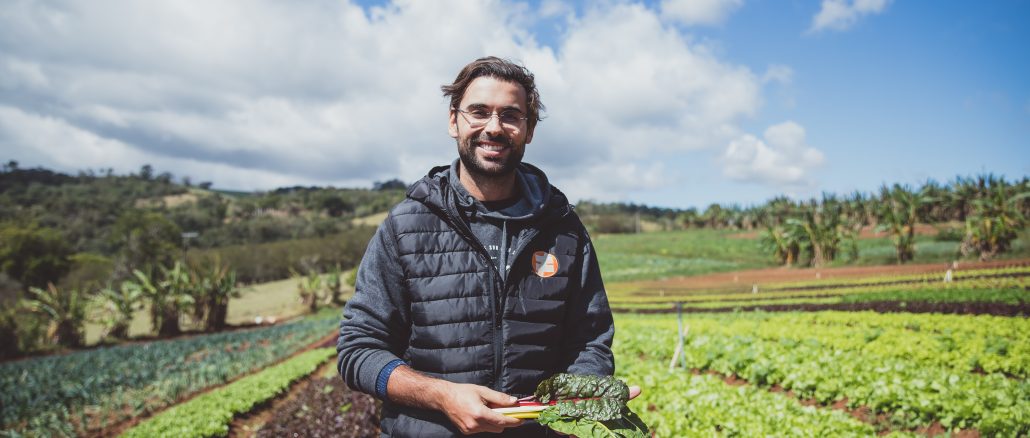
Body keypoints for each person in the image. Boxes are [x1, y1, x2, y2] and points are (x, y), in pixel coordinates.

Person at [337, 56, 615, 437]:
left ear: (529, 129)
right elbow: (357, 350)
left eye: (511, 115)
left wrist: (582, 393)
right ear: (454, 121)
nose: (494, 128)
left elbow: (590, 342)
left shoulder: (564, 229)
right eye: (479, 112)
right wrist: (440, 396)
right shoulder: (405, 227)